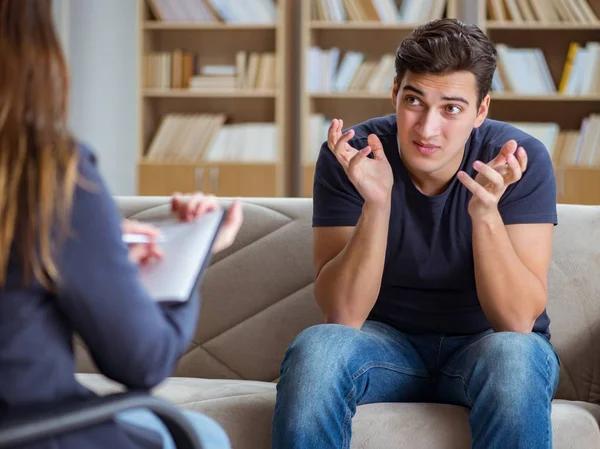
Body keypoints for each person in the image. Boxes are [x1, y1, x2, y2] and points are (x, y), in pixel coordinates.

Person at [272, 17, 560, 449]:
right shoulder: (353, 154)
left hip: (487, 344)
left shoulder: (519, 159)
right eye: (414, 101)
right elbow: (343, 316)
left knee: (517, 359)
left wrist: (485, 213)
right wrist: (377, 203)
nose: (427, 129)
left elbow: (517, 322)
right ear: (394, 93)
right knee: (318, 350)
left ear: (481, 110)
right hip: (384, 345)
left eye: (452, 108)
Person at [0, 1, 242, 448]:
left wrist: (106, 262)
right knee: (202, 435)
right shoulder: (45, 174)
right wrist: (191, 254)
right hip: (29, 429)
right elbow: (142, 363)